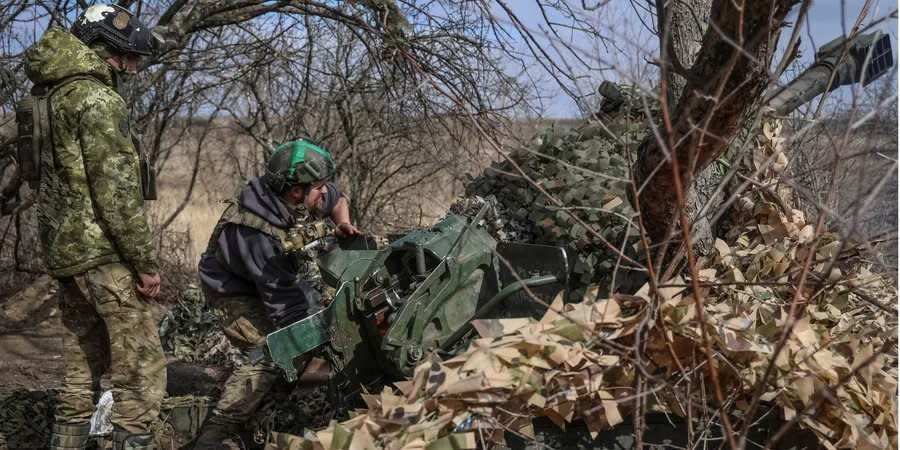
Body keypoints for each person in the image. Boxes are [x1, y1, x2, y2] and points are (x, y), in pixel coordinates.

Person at [23, 4, 165, 450]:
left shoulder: (47, 96)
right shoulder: (98, 100)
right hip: (105, 255)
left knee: (79, 370)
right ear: (110, 50)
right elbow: (117, 193)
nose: (136, 67)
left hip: (66, 255)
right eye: (132, 57)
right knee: (140, 375)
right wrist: (144, 263)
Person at [194, 138, 359, 448]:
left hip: (273, 281)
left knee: (311, 342)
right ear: (296, 191)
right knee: (270, 353)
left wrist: (344, 223)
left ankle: (290, 397)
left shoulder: (294, 191)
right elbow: (290, 316)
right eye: (319, 187)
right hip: (231, 293)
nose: (325, 191)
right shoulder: (258, 236)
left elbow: (339, 200)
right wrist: (321, 344)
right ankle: (218, 429)